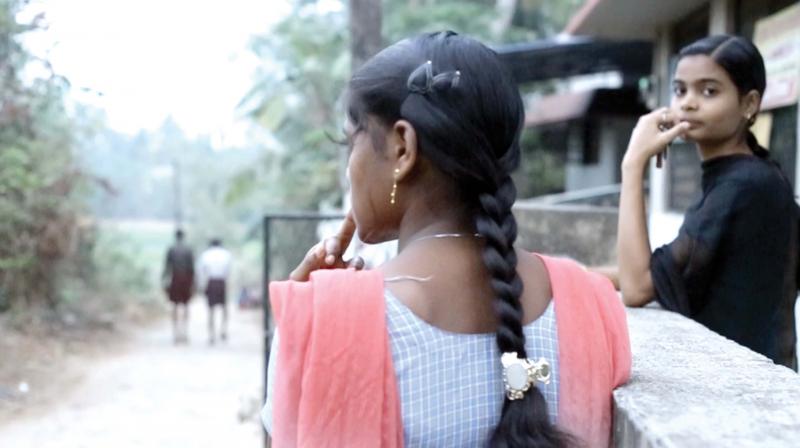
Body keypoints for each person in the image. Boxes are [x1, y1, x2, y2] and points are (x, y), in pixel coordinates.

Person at [261, 31, 631, 447]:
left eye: (353, 141)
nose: (351, 167)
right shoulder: (593, 304)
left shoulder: (323, 319)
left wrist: (310, 325)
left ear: (402, 148)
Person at [617, 34, 799, 370]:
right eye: (680, 89)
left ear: (749, 104)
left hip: (744, 390)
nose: (688, 103)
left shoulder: (743, 185)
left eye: (709, 91)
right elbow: (659, 272)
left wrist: (632, 164)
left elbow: (636, 287)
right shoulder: (744, 177)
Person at [198, 238, 233, 345]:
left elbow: (201, 271)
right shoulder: (226, 254)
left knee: (211, 310)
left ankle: (211, 334)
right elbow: (228, 270)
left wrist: (202, 285)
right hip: (221, 282)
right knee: (224, 308)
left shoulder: (205, 255)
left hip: (211, 281)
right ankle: (223, 330)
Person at [162, 229, 195, 344]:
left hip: (175, 279)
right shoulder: (188, 250)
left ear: (175, 237)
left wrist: (164, 281)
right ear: (183, 237)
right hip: (186, 279)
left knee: (175, 306)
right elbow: (192, 269)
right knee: (186, 306)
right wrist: (193, 284)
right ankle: (184, 332)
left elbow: (166, 267)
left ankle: (176, 333)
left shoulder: (171, 249)